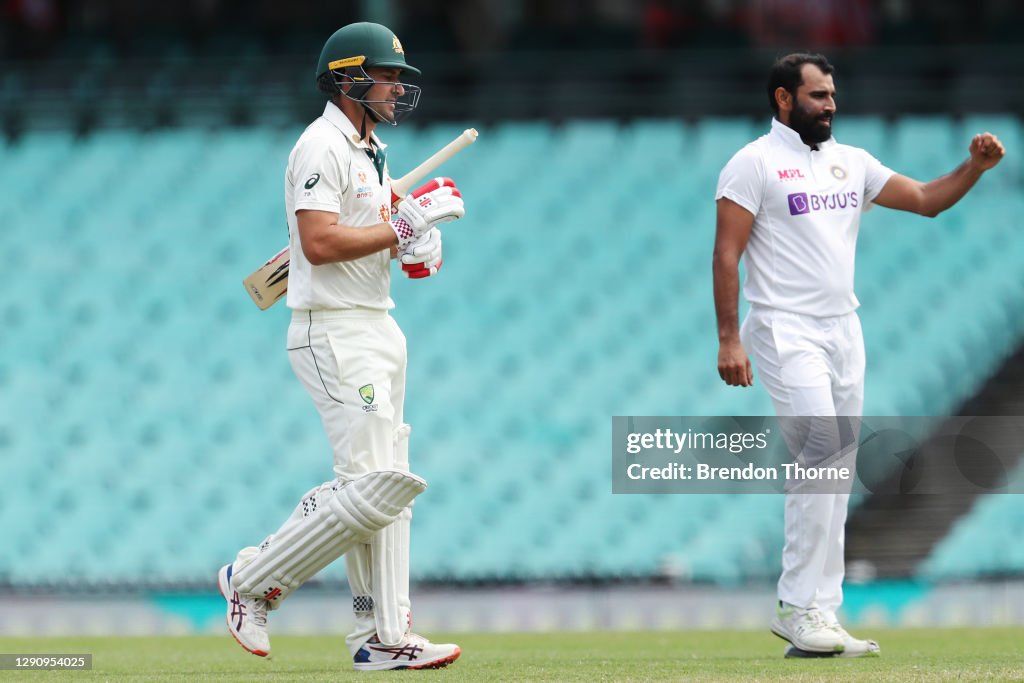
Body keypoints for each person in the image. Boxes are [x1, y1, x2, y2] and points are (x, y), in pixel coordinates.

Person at [713, 53, 1005, 658]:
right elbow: (726, 255)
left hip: (844, 328)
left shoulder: (853, 162)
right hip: (784, 328)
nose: (830, 104)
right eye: (818, 95)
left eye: (832, 94)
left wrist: (972, 169)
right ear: (784, 99)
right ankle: (798, 605)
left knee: (837, 465)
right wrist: (729, 338)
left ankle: (822, 610)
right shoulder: (753, 164)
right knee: (821, 451)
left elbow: (926, 198)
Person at [216, 22, 464, 670]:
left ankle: (379, 635)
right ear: (350, 78)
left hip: (378, 324)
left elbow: (379, 236)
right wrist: (397, 226)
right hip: (330, 329)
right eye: (386, 76)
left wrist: (414, 242)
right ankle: (249, 580)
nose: (395, 88)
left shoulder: (370, 152)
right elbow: (321, 243)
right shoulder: (319, 146)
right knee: (374, 484)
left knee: (384, 489)